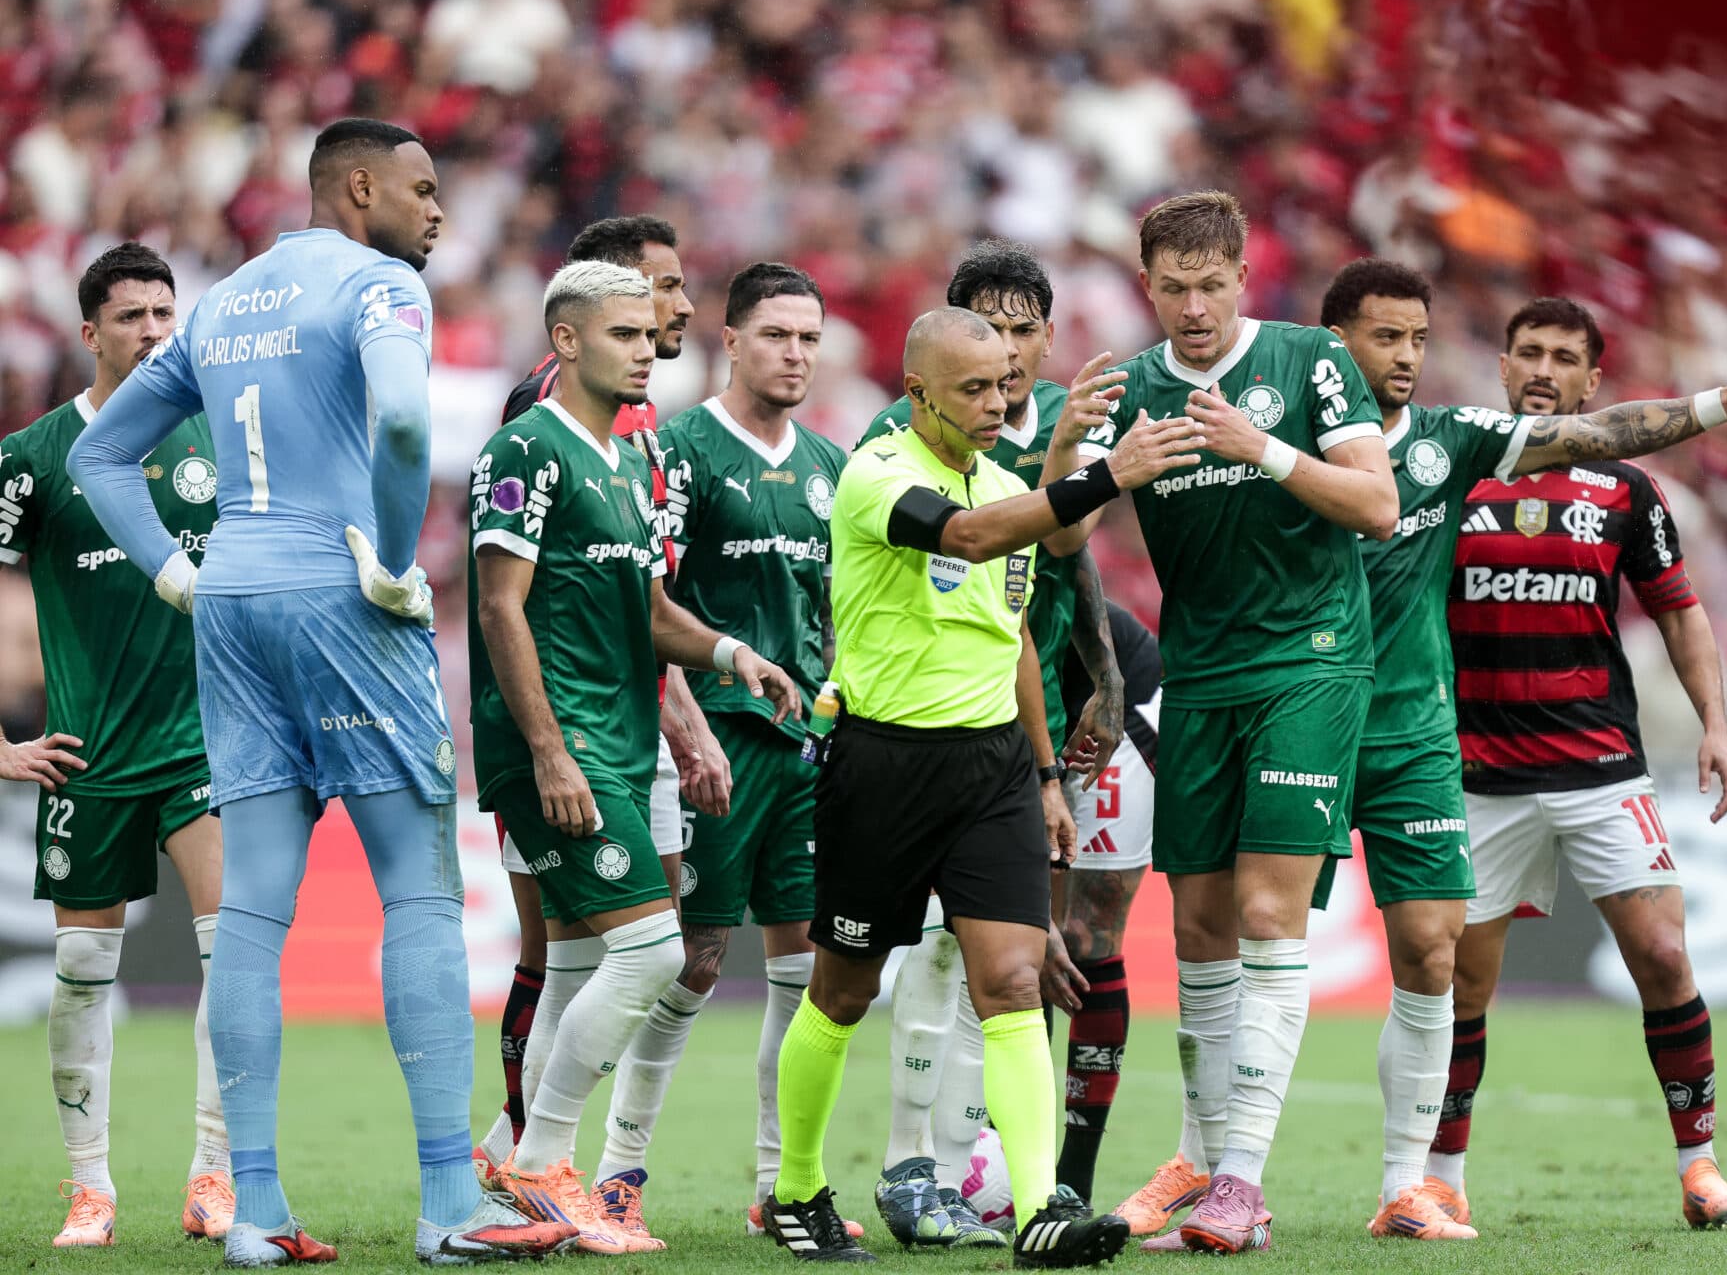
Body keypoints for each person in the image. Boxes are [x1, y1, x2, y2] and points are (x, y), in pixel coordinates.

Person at [66, 118, 576, 1267]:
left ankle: (252, 1209)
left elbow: (98, 456)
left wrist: (172, 570)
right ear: (360, 188)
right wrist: (396, 556)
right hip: (343, 595)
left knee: (251, 911)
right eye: (423, 188)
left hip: (234, 597)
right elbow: (401, 419)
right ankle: (450, 1202)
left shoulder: (223, 299)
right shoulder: (381, 285)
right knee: (421, 895)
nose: (441, 211)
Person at [1318, 264, 1727, 1240]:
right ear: (1504, 366)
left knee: (1668, 956)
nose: (1545, 371)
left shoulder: (1627, 491)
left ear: (1595, 384)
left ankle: (1701, 1167)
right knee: (1457, 980)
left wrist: (1714, 723)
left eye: (1566, 360)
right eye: (1531, 354)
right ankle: (1443, 1177)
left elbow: (1680, 613)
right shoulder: (1441, 467)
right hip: (1469, 771)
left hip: (1600, 766)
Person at [761, 306, 1202, 1266]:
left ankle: (1042, 1205)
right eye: (972, 388)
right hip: (883, 767)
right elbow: (963, 538)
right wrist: (1103, 470)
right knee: (841, 991)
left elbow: (1010, 651)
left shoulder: (1008, 480)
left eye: (1005, 383)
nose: (998, 403)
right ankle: (796, 1188)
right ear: (916, 392)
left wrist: (1043, 774)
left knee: (1010, 981)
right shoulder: (877, 474)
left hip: (993, 769)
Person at [1079, 191, 1398, 1255]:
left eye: (1211, 283)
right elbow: (1056, 525)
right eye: (1173, 286)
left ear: (1243, 276)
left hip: (1310, 659)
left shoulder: (1310, 359)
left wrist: (1260, 448)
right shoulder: (1130, 388)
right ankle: (1217, 1176)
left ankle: (1243, 1180)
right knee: (1202, 929)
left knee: (1268, 913)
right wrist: (1082, 458)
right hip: (1201, 673)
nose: (1194, 305)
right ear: (1147, 286)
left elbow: (1377, 504)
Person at [472, 258, 801, 1250]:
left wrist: (737, 654)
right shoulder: (526, 449)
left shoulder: (627, 458)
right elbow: (499, 603)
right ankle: (539, 1162)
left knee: (593, 959)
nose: (650, 349)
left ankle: (523, 1172)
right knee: (654, 949)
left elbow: (649, 610)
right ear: (566, 339)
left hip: (620, 735)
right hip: (559, 744)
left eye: (652, 335)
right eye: (624, 334)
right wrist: (549, 753)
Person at [859, 239, 1127, 1248]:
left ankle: (989, 1172)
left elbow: (1066, 551)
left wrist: (1101, 672)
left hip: (1027, 698)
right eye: (989, 329)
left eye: (1024, 331)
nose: (1007, 353)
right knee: (917, 954)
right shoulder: (913, 430)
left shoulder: (1058, 412)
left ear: (1048, 337)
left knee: (1015, 956)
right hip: (928, 711)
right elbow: (978, 548)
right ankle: (903, 1162)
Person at [593, 262, 844, 1236]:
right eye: (776, 334)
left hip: (805, 750)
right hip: (712, 747)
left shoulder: (829, 463)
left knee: (807, 968)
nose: (795, 353)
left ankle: (782, 1182)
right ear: (730, 340)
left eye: (809, 338)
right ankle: (620, 1169)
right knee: (689, 962)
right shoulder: (680, 448)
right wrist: (684, 724)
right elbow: (646, 602)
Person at [0, 243, 231, 1248]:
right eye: (132, 315)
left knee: (239, 957)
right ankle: (90, 1185)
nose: (152, 332)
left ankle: (215, 1175)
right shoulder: (33, 458)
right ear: (90, 332)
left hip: (206, 746)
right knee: (83, 968)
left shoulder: (213, 437)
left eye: (165, 314)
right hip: (86, 755)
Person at [1055, 601, 1161, 1210]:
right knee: (1015, 943)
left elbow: (1072, 545)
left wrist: (1110, 685)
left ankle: (1074, 1179)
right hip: (998, 710)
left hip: (1114, 707)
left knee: (1084, 937)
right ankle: (991, 1160)